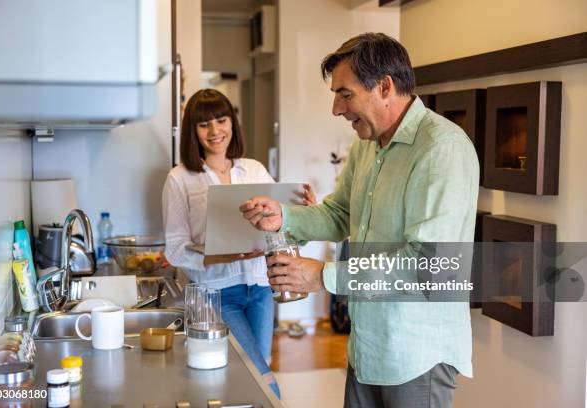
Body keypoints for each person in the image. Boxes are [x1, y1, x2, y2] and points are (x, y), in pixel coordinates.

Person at [240, 33, 479, 408]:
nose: (337, 108)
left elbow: (429, 263)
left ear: (385, 86)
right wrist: (282, 216)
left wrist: (323, 275)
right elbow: (340, 213)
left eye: (345, 94)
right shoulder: (367, 145)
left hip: (416, 355)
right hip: (367, 347)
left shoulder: (441, 149)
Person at [162, 89, 314, 398]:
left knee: (252, 381)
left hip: (261, 288)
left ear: (233, 123)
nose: (215, 131)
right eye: (204, 124)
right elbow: (176, 250)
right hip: (216, 295)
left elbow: (282, 232)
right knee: (263, 379)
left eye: (221, 120)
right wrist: (224, 256)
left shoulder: (254, 169)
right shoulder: (180, 179)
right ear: (192, 130)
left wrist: (307, 214)